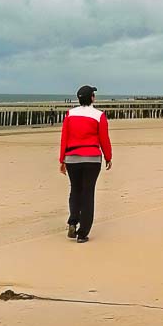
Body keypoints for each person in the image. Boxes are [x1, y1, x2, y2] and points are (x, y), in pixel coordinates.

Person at [59, 85, 112, 242]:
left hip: (72, 158)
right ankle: (82, 234)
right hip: (92, 159)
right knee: (88, 193)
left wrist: (62, 160)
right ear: (92, 98)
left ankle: (73, 221)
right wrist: (108, 157)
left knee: (75, 190)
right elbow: (104, 138)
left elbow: (64, 138)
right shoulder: (99, 115)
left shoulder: (70, 114)